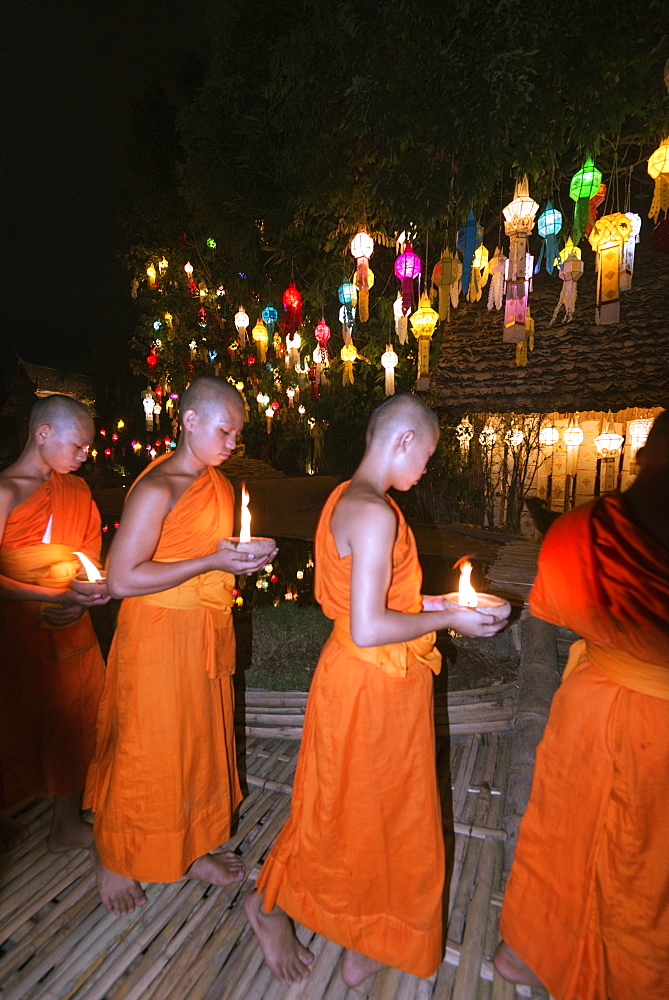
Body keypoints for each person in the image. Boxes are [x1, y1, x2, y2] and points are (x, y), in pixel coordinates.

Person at [245, 393, 511, 986]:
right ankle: (266, 909)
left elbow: (379, 604)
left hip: (375, 680)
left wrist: (446, 602)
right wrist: (450, 621)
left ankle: (368, 929)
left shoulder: (351, 496)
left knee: (385, 812)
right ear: (404, 440)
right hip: (365, 683)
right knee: (337, 811)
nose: (425, 470)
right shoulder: (373, 512)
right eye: (427, 457)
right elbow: (368, 626)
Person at [494, 410, 669, 1000]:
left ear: (645, 454)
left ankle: (529, 949)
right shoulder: (586, 528)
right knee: (644, 870)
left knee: (562, 826)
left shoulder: (584, 530)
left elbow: (552, 605)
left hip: (593, 708)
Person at [84, 377, 275, 916]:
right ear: (189, 421)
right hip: (157, 636)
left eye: (237, 433)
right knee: (145, 750)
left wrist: (238, 555)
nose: (233, 443)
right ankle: (112, 855)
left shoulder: (212, 481)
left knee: (194, 749)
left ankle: (189, 850)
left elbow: (194, 550)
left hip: (201, 634)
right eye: (225, 430)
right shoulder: (158, 487)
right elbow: (122, 579)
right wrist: (215, 561)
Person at [0, 394, 108, 853]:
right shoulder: (5, 490)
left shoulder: (78, 492)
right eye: (78, 446)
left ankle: (64, 824)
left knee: (78, 716)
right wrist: (48, 595)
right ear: (43, 434)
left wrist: (81, 601)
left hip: (69, 627)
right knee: (13, 719)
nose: (85, 456)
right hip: (14, 630)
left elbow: (89, 557)